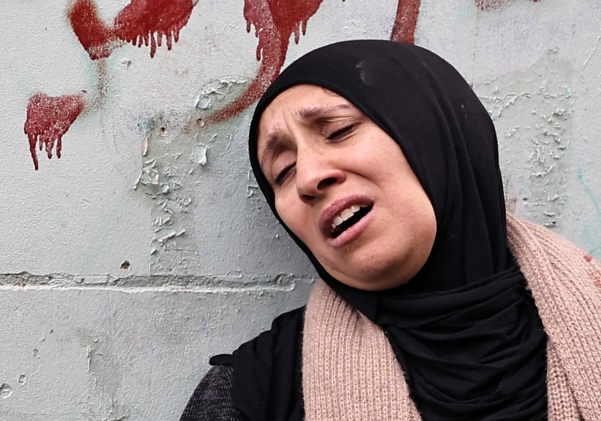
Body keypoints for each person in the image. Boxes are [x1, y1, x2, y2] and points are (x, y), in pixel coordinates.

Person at [179, 40, 601, 421]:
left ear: (433, 138)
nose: (307, 178)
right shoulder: (252, 395)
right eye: (283, 171)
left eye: (339, 131)